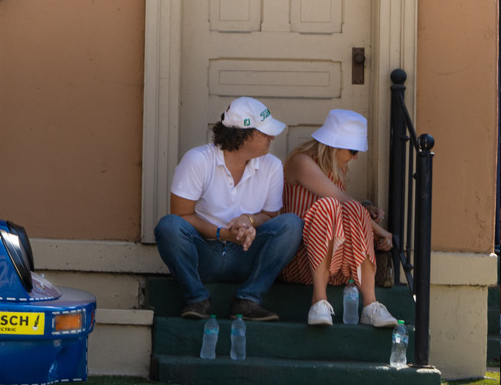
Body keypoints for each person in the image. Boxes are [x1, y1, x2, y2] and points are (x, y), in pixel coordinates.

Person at [155, 97, 304, 321]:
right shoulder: (198, 160)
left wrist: (248, 221)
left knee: (292, 224)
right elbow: (181, 216)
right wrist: (221, 234)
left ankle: (249, 300)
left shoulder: (271, 165)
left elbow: (271, 216)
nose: (272, 138)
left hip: (246, 253)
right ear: (242, 135)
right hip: (203, 253)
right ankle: (197, 298)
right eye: (264, 133)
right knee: (168, 226)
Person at [279, 108, 397, 328]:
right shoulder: (300, 161)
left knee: (352, 208)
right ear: (332, 144)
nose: (356, 156)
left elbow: (347, 206)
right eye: (352, 150)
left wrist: (365, 210)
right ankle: (319, 300)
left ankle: (370, 305)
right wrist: (380, 231)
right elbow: (339, 200)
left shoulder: (336, 171)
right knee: (330, 206)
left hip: (336, 267)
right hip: (298, 261)